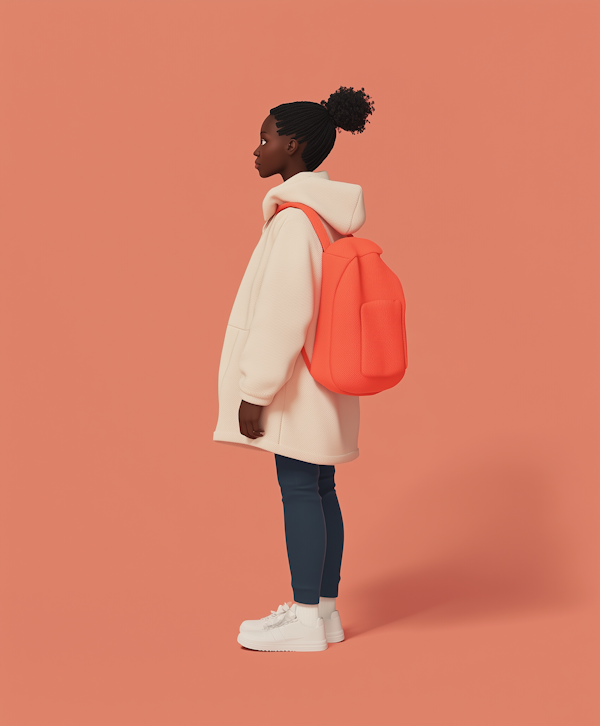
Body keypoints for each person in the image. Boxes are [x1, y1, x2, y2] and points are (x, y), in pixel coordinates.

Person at [213, 86, 375, 652]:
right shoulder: (330, 220)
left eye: (266, 138)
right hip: (327, 377)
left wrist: (254, 391)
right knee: (321, 488)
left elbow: (285, 314)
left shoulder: (293, 223)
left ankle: (304, 616)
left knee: (299, 490)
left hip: (297, 383)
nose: (256, 149)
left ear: (295, 145)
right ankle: (324, 612)